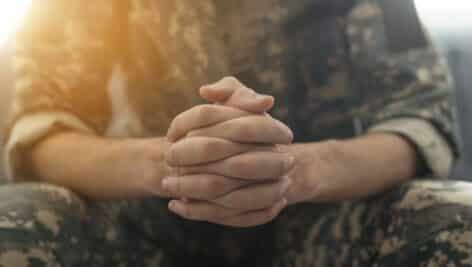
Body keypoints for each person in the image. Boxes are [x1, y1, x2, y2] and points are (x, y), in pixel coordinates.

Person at [1, 0, 472, 266]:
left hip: (322, 225)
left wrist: (299, 171)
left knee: (460, 221)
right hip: (141, 224)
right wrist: (168, 166)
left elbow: (421, 121)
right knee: (14, 219)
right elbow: (39, 131)